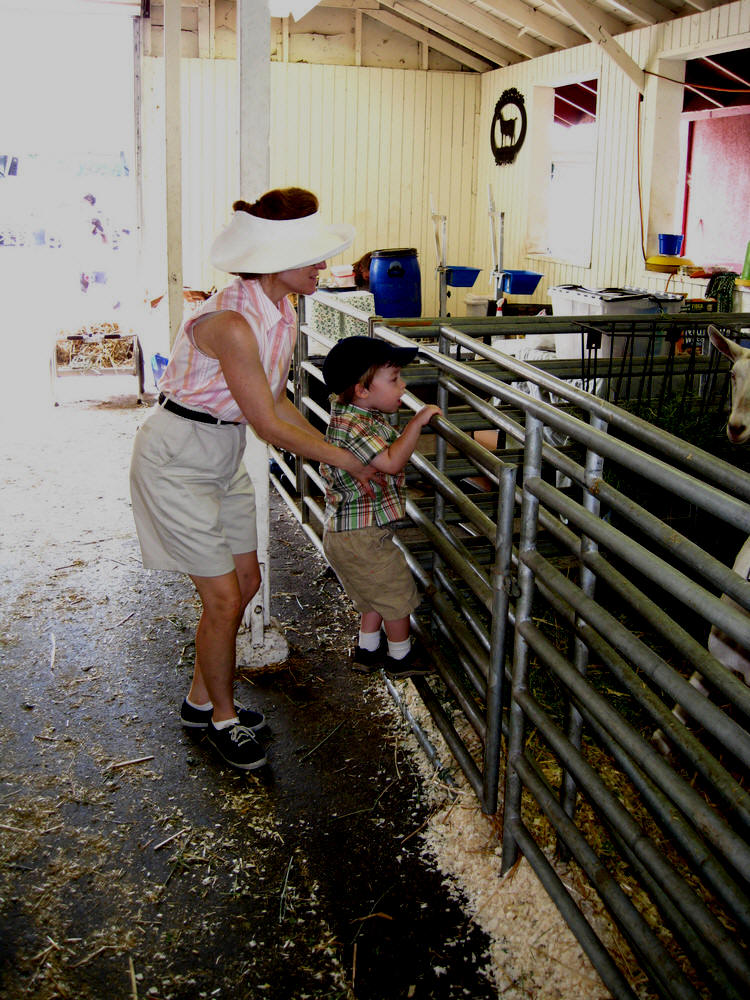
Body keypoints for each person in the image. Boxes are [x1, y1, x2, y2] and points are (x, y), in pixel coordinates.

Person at [130, 188, 379, 772]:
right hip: (177, 456)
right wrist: (342, 461)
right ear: (275, 257)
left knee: (245, 585)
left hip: (223, 449)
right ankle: (222, 717)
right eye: (313, 254)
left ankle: (199, 702)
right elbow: (269, 422)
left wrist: (336, 449)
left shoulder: (283, 312)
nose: (324, 264)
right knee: (221, 600)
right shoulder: (232, 323)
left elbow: (271, 402)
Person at [319, 336, 441, 679]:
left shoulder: (356, 415)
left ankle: (368, 649)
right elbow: (389, 462)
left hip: (350, 534)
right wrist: (416, 423)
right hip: (361, 536)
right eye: (394, 379)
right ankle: (401, 656)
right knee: (395, 592)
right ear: (362, 389)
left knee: (372, 595)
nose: (403, 386)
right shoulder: (355, 424)